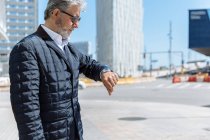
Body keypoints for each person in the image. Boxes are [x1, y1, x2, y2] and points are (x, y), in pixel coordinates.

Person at [9, 0, 119, 139]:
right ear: (55, 13)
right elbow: (27, 111)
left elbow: (89, 64)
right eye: (74, 18)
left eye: (78, 19)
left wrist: (104, 71)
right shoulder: (27, 49)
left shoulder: (69, 49)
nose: (77, 25)